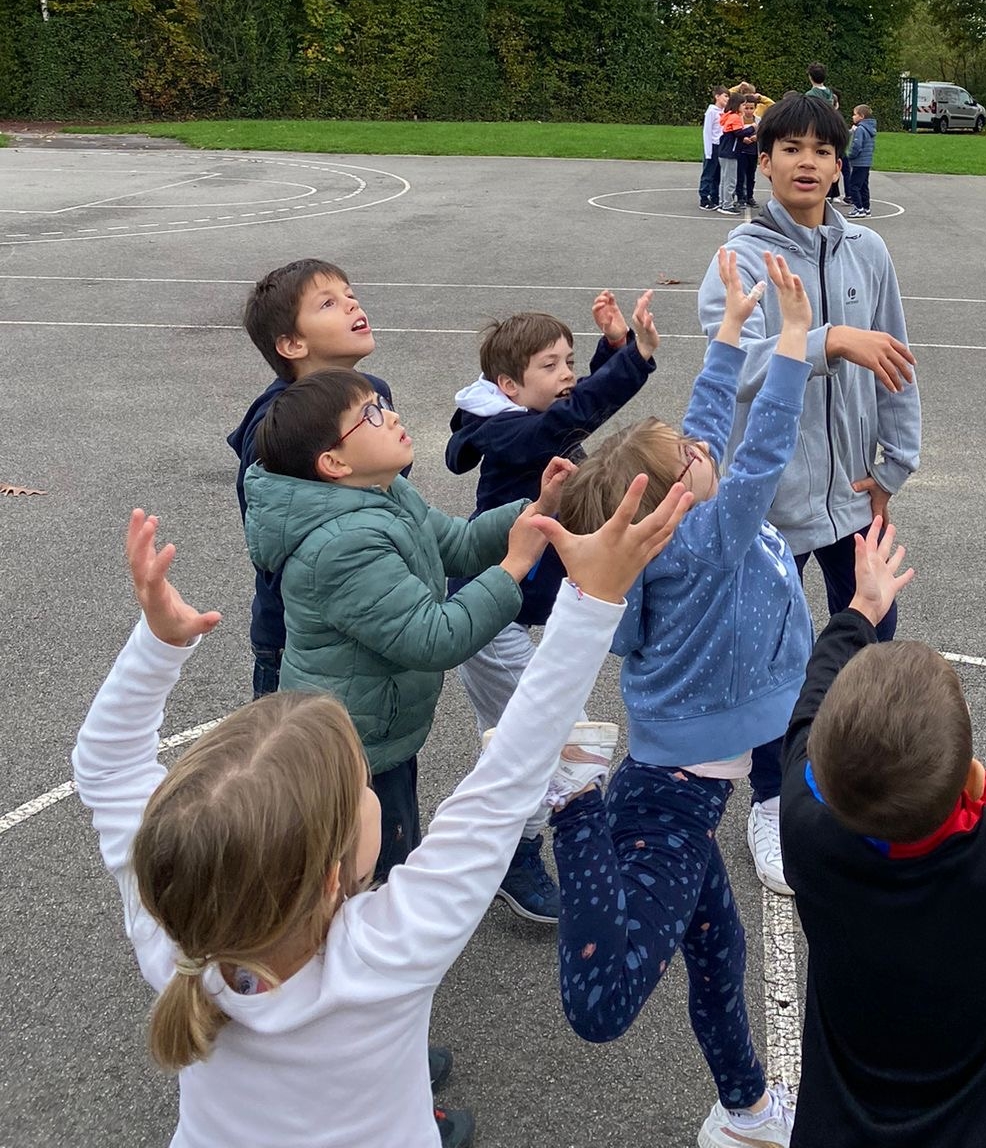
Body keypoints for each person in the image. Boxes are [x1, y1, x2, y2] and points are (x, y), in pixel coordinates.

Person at [74, 488, 688, 1148]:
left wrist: (157, 645)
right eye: (361, 789)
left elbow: (105, 768)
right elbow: (509, 779)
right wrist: (594, 599)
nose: (371, 788)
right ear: (336, 876)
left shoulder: (175, 932)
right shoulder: (386, 952)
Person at [548, 249, 813, 1148]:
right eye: (693, 459)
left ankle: (744, 1109)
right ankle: (570, 799)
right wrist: (792, 342)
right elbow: (762, 443)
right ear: (673, 499)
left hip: (683, 777)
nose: (708, 448)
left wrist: (731, 331)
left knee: (718, 950)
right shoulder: (710, 539)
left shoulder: (671, 532)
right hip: (676, 792)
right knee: (602, 1000)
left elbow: (699, 432)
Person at [780, 426, 986, 1147]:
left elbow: (807, 708)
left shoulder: (806, 830)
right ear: (975, 778)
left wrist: (859, 613)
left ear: (824, 772)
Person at [697, 90, 920, 894]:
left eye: (822, 151)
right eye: (788, 148)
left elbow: (898, 363)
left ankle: (871, 772)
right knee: (770, 652)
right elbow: (733, 366)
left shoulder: (869, 253)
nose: (806, 162)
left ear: (840, 163)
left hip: (852, 494)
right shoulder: (744, 258)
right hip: (773, 500)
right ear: (762, 162)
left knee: (875, 628)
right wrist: (825, 340)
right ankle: (770, 797)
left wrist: (892, 467)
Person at [243, 370, 556, 880]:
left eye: (382, 404)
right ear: (333, 463)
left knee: (389, 852)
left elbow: (458, 544)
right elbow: (436, 637)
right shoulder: (341, 545)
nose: (390, 415)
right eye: (369, 415)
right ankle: (366, 952)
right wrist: (513, 567)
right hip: (347, 750)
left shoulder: (385, 493)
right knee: (363, 874)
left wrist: (534, 512)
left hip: (380, 729)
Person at [443, 289, 659, 919]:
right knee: (553, 738)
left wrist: (613, 346)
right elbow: (571, 417)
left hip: (512, 615)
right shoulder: (511, 434)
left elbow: (570, 401)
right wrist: (638, 359)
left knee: (524, 740)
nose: (568, 375)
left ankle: (490, 844)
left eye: (571, 360)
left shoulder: (526, 415)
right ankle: (515, 852)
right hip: (488, 619)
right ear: (508, 385)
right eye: (552, 365)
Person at [228, 259, 397, 702]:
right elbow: (272, 536)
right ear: (291, 343)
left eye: (350, 295)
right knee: (296, 762)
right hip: (299, 632)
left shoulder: (372, 392)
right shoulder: (277, 428)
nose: (351, 305)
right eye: (328, 303)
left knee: (374, 751)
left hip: (367, 604)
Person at [716, 94, 745, 216]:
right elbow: (738, 133)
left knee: (724, 178)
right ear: (737, 105)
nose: (744, 107)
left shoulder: (728, 115)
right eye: (743, 105)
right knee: (730, 179)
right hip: (730, 152)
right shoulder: (735, 117)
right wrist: (753, 128)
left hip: (724, 151)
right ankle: (727, 205)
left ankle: (723, 202)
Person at [699, 87, 728, 211]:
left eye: (728, 96)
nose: (727, 99)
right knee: (708, 172)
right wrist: (708, 151)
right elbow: (707, 131)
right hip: (713, 145)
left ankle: (715, 197)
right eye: (725, 96)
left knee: (718, 173)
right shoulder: (711, 111)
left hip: (722, 145)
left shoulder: (725, 111)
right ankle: (704, 198)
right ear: (717, 96)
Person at [844, 104, 876, 217]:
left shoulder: (860, 129)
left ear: (861, 116)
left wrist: (850, 155)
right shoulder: (870, 129)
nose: (853, 117)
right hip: (866, 161)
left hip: (859, 162)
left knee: (854, 185)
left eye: (855, 114)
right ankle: (866, 207)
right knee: (863, 185)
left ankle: (859, 208)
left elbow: (856, 146)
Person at [734, 98, 760, 210]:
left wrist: (756, 137)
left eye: (751, 108)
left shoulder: (758, 120)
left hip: (753, 152)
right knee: (740, 175)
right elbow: (735, 133)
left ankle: (750, 196)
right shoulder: (739, 119)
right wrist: (743, 138)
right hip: (742, 151)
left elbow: (763, 133)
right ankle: (740, 197)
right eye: (746, 108)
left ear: (755, 108)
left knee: (751, 176)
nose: (749, 111)